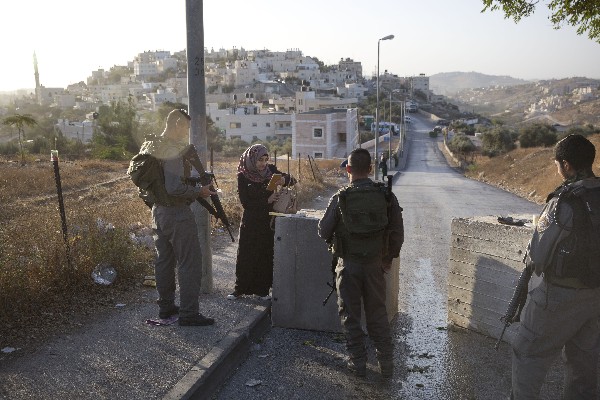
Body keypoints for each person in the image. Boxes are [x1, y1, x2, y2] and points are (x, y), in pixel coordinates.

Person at [511, 134, 600, 399]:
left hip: (560, 296)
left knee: (528, 352)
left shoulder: (563, 202)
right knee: (584, 366)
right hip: (596, 297)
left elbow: (538, 257)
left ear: (566, 165)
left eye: (557, 165)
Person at [317, 148, 404, 378]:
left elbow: (323, 231)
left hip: (348, 267)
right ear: (371, 169)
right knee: (378, 315)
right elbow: (397, 233)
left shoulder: (341, 197)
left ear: (348, 170)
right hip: (375, 266)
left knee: (350, 316)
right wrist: (387, 259)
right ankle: (387, 365)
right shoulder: (386, 196)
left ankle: (357, 364)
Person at [151, 109, 217, 326]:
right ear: (177, 124)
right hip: (176, 212)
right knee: (190, 262)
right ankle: (189, 314)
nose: (186, 133)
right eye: (186, 128)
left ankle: (166, 307)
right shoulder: (172, 149)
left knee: (165, 261)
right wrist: (199, 191)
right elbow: (173, 187)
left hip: (158, 211)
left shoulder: (153, 144)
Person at [227, 144, 296, 300]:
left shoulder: (270, 171)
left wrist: (284, 180)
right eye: (259, 160)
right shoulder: (243, 176)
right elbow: (246, 203)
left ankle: (262, 290)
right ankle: (240, 289)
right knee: (246, 254)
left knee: (265, 254)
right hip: (251, 221)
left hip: (269, 220)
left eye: (265, 159)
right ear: (251, 159)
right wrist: (267, 199)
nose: (263, 163)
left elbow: (292, 180)